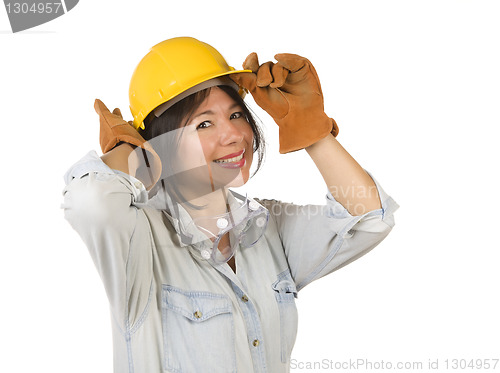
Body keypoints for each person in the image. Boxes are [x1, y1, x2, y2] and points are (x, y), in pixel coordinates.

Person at [62, 37, 399, 372]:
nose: (235, 134)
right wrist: (127, 152)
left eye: (236, 114)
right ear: (158, 143)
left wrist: (312, 129)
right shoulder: (138, 238)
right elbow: (90, 202)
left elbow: (370, 217)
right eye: (204, 123)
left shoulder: (268, 228)